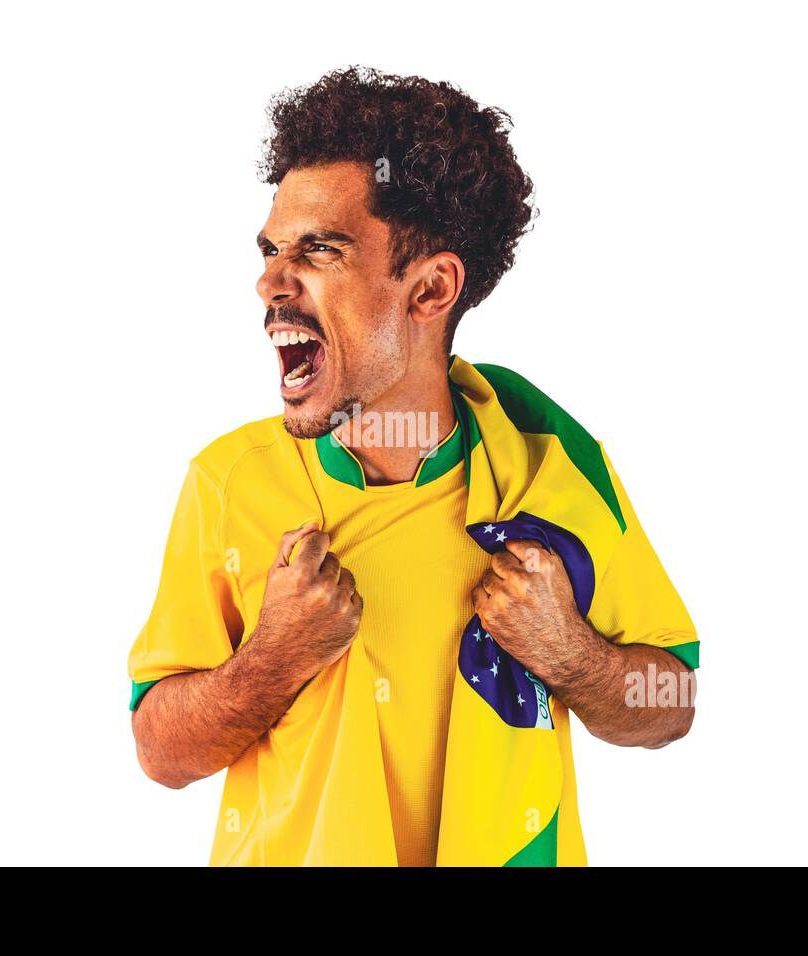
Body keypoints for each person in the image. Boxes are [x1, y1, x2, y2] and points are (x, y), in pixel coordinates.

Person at [127, 67, 698, 867]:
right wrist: (273, 659)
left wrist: (574, 655)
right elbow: (160, 749)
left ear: (430, 288)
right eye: (270, 249)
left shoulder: (552, 471)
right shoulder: (229, 483)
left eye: (319, 249)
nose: (269, 281)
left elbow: (670, 702)